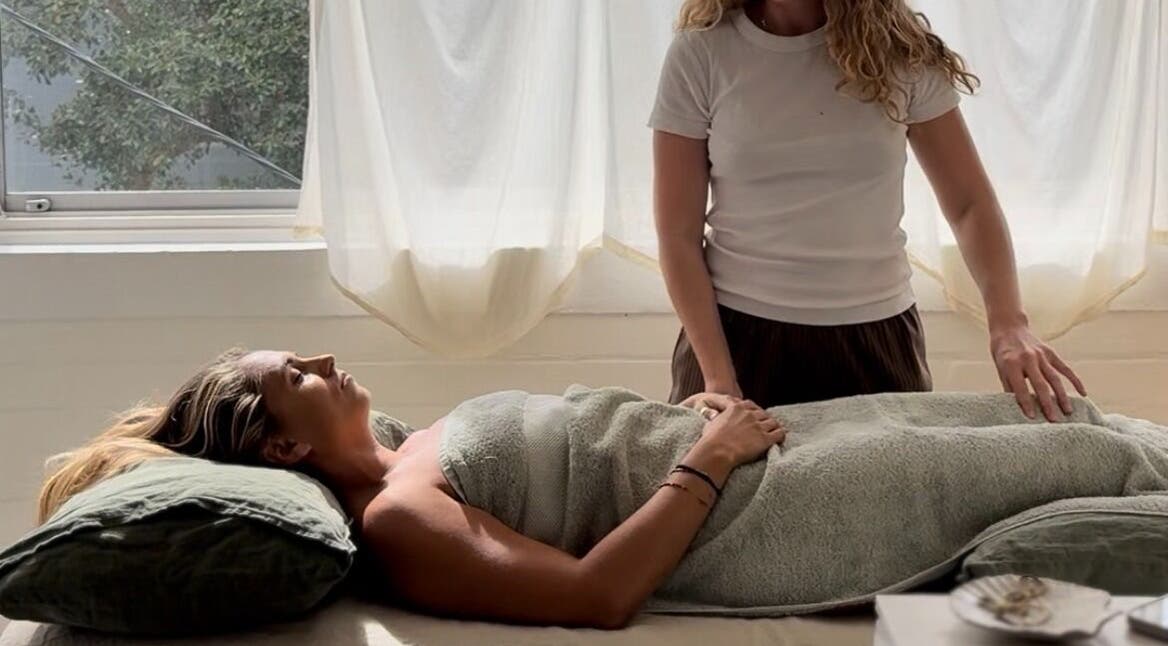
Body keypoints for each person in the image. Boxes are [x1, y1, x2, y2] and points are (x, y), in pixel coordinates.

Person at [37, 350, 1168, 630]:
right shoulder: (402, 518)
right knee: (1085, 467)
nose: (324, 364)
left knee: (1060, 416)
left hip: (768, 441)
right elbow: (592, 595)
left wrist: (705, 425)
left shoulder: (406, 443)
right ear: (279, 451)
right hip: (766, 507)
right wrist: (711, 457)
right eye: (296, 378)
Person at [651, 0, 1086, 420]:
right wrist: (719, 379)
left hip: (876, 339)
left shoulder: (901, 51)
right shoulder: (701, 52)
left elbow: (969, 204)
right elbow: (677, 236)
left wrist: (1009, 323)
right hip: (733, 340)